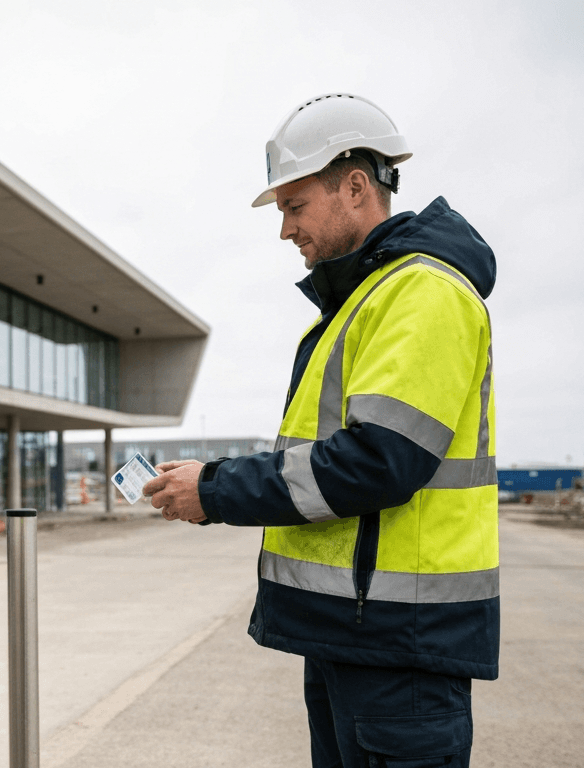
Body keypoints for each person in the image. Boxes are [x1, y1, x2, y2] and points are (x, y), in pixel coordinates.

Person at [143, 93, 497, 767]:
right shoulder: (359, 303)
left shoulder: (421, 293)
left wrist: (215, 490)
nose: (284, 230)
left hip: (399, 647)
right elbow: (322, 457)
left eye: (293, 206)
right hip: (357, 635)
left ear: (356, 187)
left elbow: (377, 461)